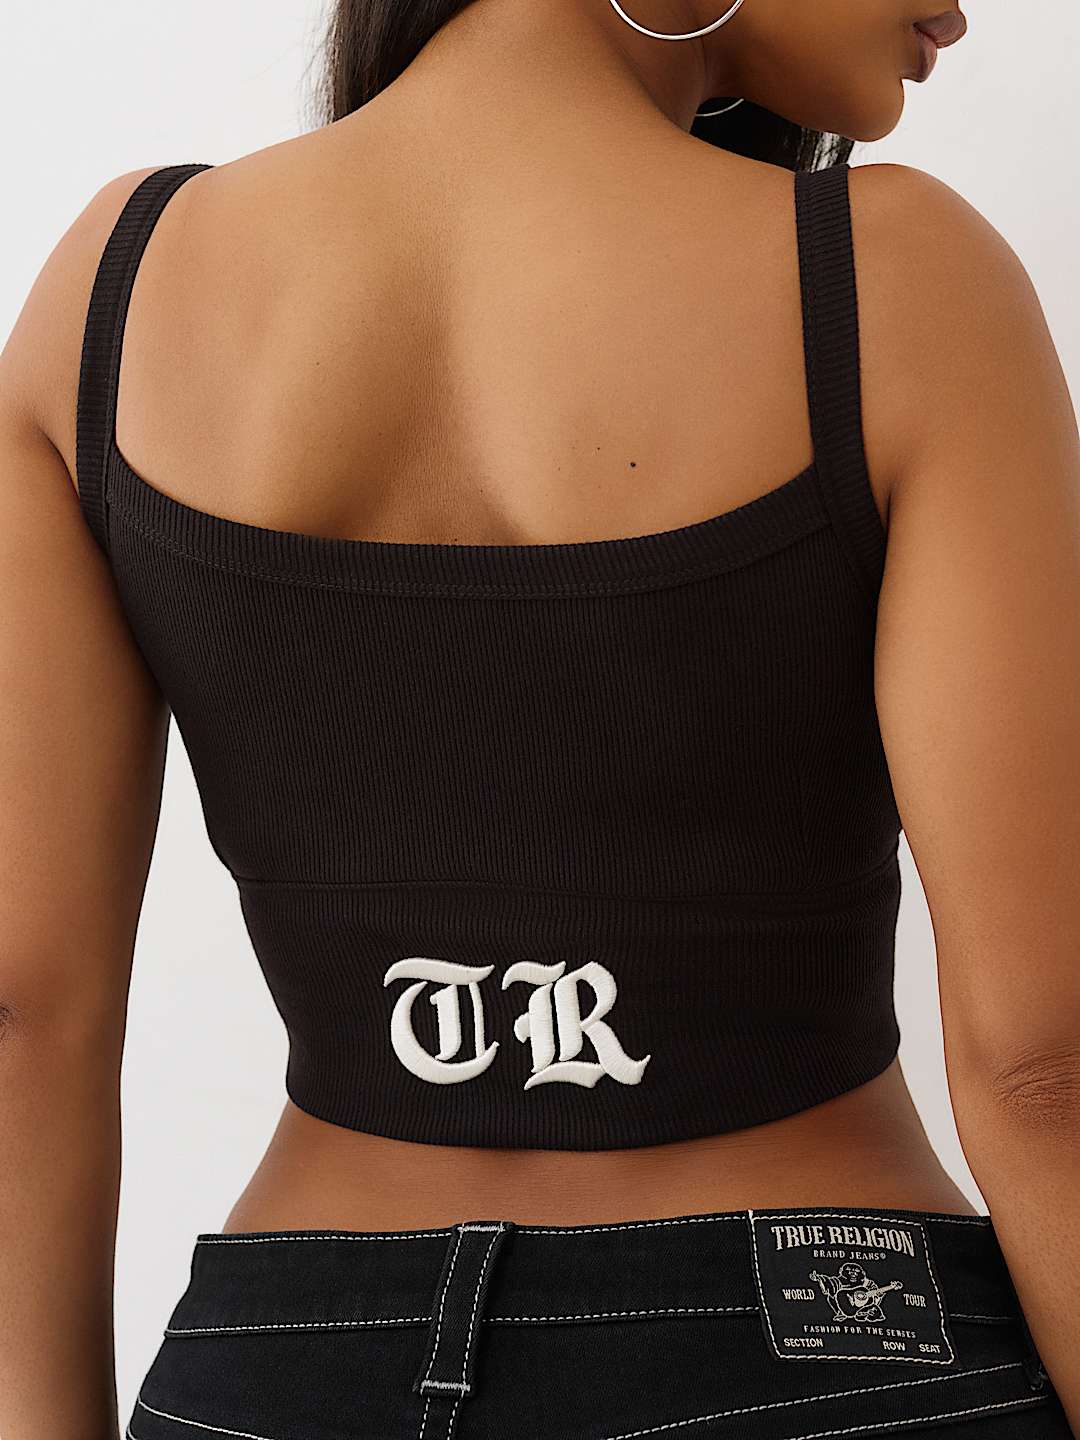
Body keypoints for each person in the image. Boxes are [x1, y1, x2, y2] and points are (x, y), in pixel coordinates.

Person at [0, 0, 1077, 1434]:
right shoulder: (895, 283)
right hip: (815, 1356)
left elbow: (22, 1020)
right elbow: (1044, 1060)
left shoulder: (114, 291)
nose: (953, 6)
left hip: (288, 1369)